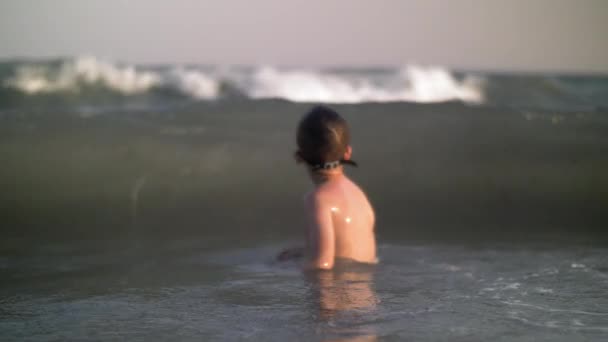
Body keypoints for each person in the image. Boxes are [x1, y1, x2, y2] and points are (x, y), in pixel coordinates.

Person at [277, 105, 377, 270]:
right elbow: (347, 251)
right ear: (348, 153)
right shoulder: (359, 195)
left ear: (299, 157)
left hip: (337, 295)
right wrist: (303, 253)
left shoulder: (319, 200)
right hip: (366, 294)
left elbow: (322, 265)